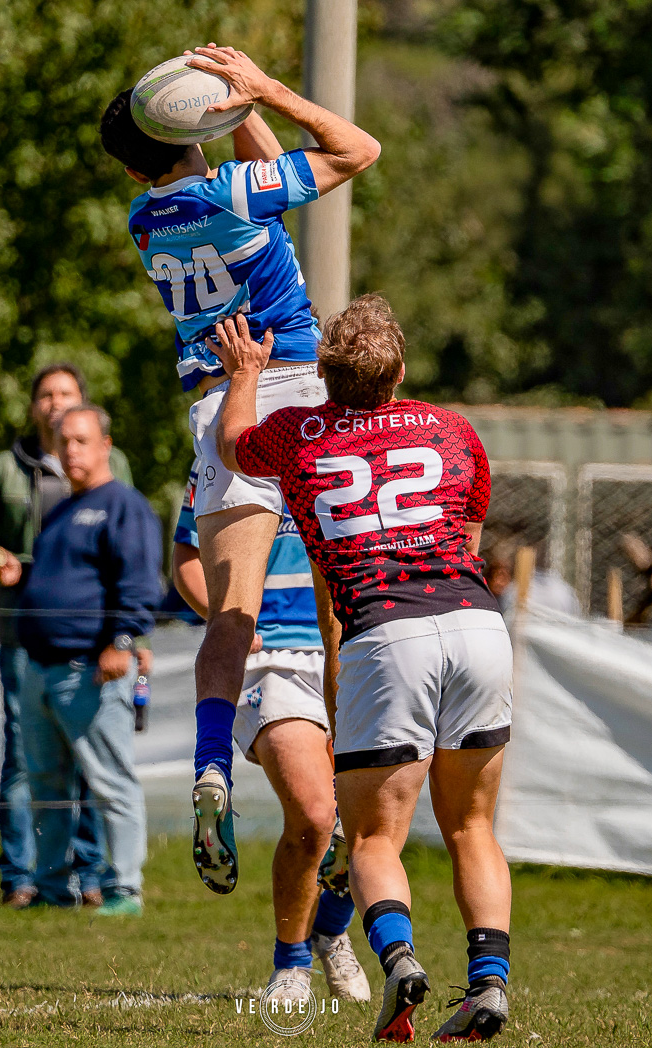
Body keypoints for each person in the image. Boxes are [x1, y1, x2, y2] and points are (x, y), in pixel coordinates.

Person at [99, 43, 380, 896]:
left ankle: (209, 764)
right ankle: (345, 788)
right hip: (297, 392)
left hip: (220, 408)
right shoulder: (231, 192)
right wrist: (263, 89)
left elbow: (265, 194)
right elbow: (356, 150)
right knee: (340, 610)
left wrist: (235, 109)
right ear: (190, 132)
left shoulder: (147, 221)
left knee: (232, 613)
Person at [210, 297, 514, 1043]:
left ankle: (400, 960)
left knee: (375, 840)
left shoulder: (297, 434)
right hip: (477, 624)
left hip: (386, 634)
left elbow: (230, 447)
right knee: (473, 825)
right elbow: (466, 537)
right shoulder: (451, 428)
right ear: (401, 371)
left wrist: (246, 370)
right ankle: (490, 984)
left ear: (321, 376)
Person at [171, 474, 371, 1006]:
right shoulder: (231, 445)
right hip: (274, 657)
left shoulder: (355, 436)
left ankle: (330, 928)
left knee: (362, 821)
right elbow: (188, 555)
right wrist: (228, 621)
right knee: (313, 812)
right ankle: (292, 963)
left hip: (357, 644)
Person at [0, 363, 127, 907]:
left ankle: (93, 877)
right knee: (23, 755)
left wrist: (127, 635)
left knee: (90, 754)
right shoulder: (4, 469)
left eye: (67, 393)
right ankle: (21, 877)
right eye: (46, 394)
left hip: (90, 633)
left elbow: (127, 545)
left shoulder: (112, 466)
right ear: (33, 405)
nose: (55, 402)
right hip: (20, 630)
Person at [15, 404, 160, 915]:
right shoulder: (59, 511)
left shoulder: (123, 506)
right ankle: (52, 888)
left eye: (81, 440)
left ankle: (124, 888)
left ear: (105, 444)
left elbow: (140, 582)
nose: (71, 450)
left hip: (91, 671)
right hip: (40, 668)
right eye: (63, 441)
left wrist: (122, 642)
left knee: (110, 781)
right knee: (46, 789)